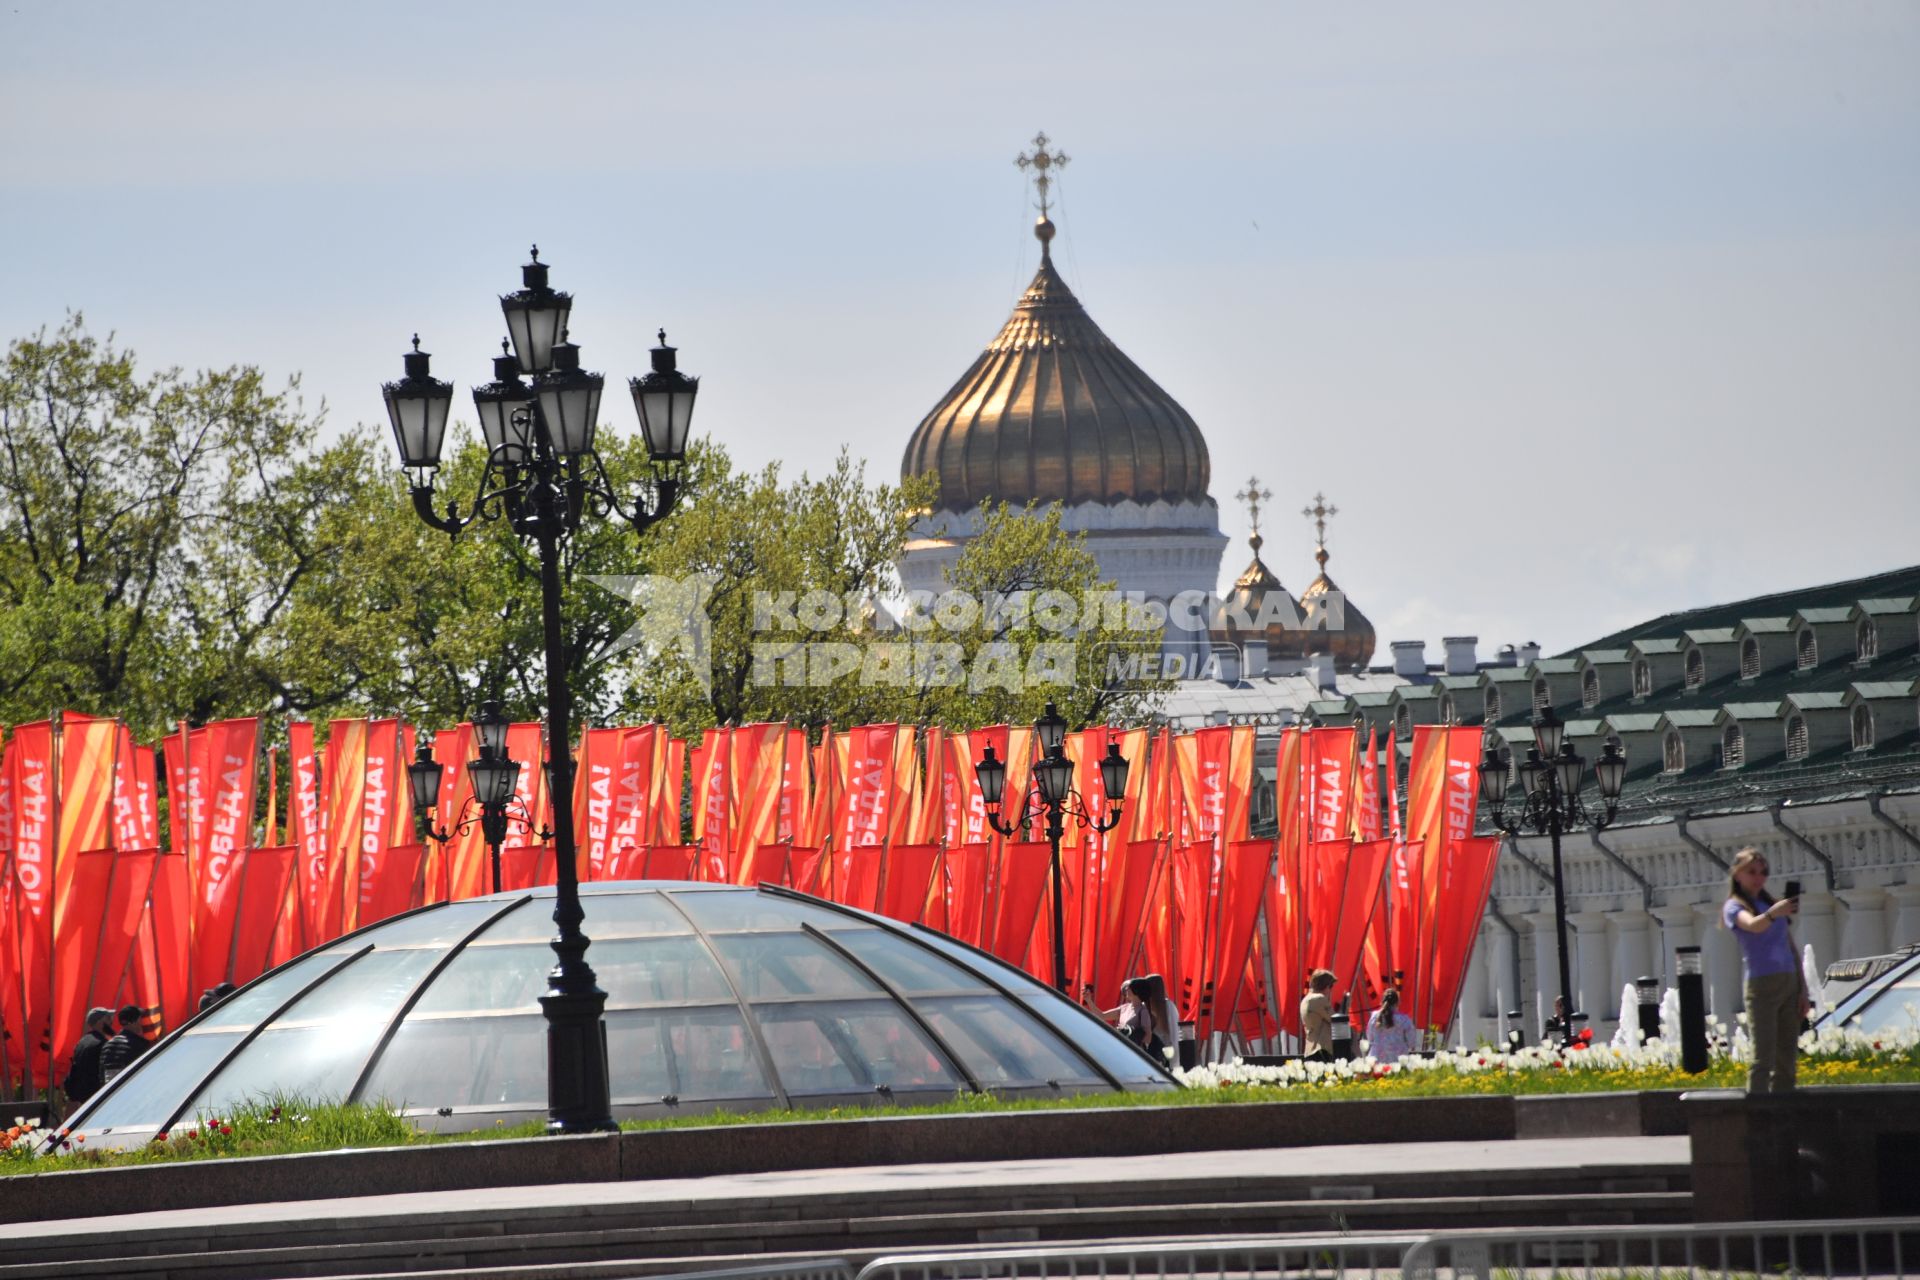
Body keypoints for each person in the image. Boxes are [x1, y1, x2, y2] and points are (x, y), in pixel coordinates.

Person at [1721, 847, 1809, 1093]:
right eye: (1752, 872)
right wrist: (1774, 913)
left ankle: (1784, 1109)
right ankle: (1757, 1112)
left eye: (1763, 872)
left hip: (1788, 982)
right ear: (1738, 875)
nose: (1759, 877)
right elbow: (1752, 926)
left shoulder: (1768, 903)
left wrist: (1803, 989)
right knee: (1763, 1055)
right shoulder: (1734, 906)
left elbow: (1790, 948)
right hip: (1761, 985)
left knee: (1787, 1056)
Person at [61, 1008, 115, 1105]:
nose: (111, 1022)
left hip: (83, 1095)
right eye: (108, 1018)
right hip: (95, 1095)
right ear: (99, 1022)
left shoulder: (82, 1042)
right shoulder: (101, 1043)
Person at [99, 1005, 153, 1086]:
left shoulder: (108, 1046)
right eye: (139, 1019)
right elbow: (147, 1073)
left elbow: (102, 1075)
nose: (141, 1023)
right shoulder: (140, 1044)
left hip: (111, 1093)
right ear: (133, 1022)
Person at [1365, 988, 1420, 1064]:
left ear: (1382, 1001)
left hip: (1376, 1060)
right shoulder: (1404, 1019)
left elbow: (1370, 1038)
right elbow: (1412, 1042)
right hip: (1397, 1060)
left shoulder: (1374, 1017)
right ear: (1397, 1003)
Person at [1301, 970, 1336, 1062]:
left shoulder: (1306, 999)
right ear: (1325, 985)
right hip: (1322, 1049)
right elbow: (1335, 1020)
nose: (1330, 990)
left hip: (1310, 1049)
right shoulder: (1320, 999)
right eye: (1330, 986)